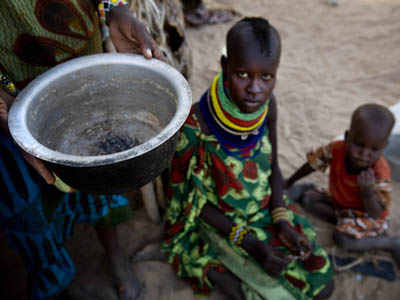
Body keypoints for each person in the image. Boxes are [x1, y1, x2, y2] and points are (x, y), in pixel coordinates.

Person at [0, 1, 165, 300]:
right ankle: (55, 280)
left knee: (100, 160)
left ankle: (114, 254)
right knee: (25, 199)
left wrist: (117, 10)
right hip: (9, 79)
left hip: (78, 47)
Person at [161, 17, 334, 300]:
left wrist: (281, 221)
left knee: (323, 283)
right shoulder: (195, 126)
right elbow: (189, 204)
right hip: (222, 223)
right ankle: (220, 269)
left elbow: (273, 166)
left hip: (266, 207)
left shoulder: (267, 106)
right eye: (243, 74)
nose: (255, 88)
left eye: (267, 77)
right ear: (224, 66)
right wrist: (251, 243)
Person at [285, 104, 400, 267]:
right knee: (308, 199)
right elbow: (311, 164)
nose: (364, 154)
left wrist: (367, 192)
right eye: (359, 144)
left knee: (341, 239)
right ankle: (345, 222)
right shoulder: (335, 150)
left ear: (384, 148)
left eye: (374, 149)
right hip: (340, 203)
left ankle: (392, 243)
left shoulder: (379, 172)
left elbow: (376, 213)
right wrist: (290, 181)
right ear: (347, 137)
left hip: (367, 215)